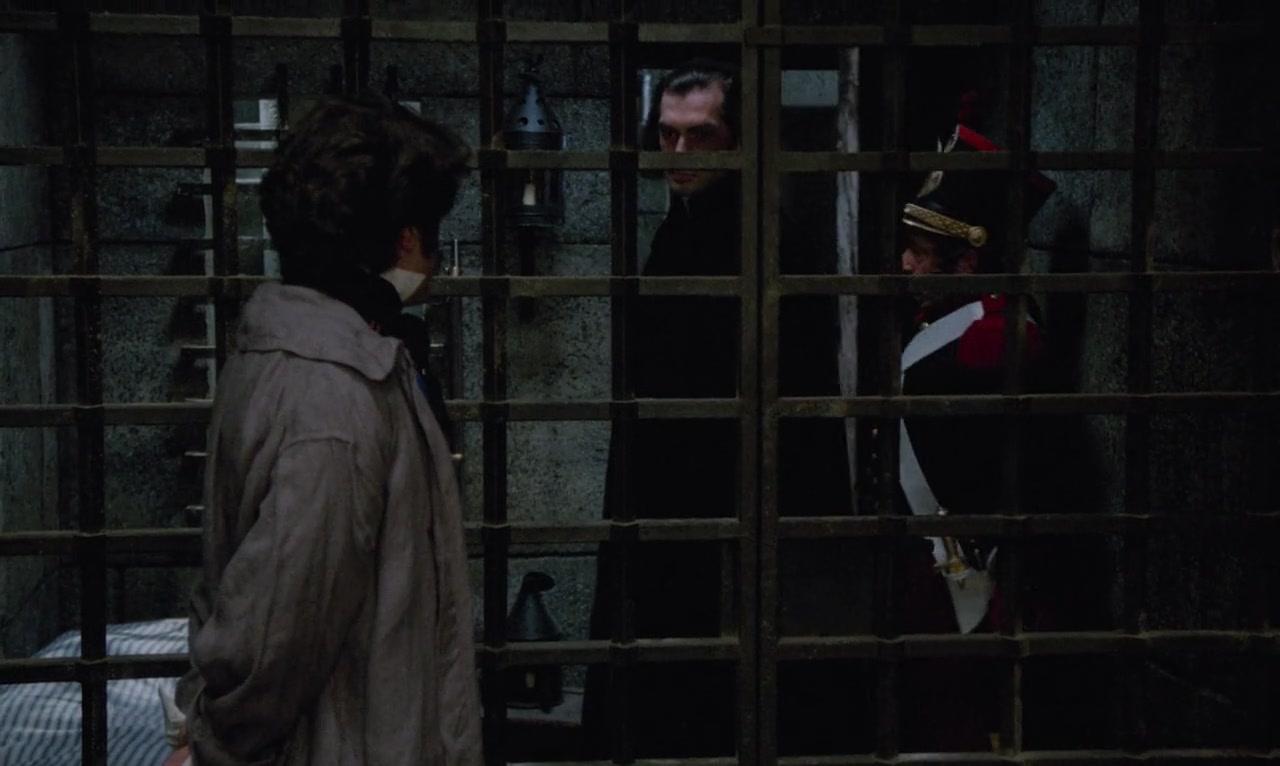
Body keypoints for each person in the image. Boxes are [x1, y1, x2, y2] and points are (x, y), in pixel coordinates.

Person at [170, 93, 482, 766]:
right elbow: (275, 632)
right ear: (405, 236)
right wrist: (214, 738)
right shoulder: (336, 397)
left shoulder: (295, 350)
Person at [581, 59, 853, 758]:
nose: (680, 151)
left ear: (736, 137)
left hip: (729, 521)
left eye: (699, 134)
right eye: (668, 134)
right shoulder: (683, 229)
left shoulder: (765, 242)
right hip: (673, 515)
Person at [891, 122, 1111, 751]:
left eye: (920, 251)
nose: (905, 263)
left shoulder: (991, 336)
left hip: (980, 575)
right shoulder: (954, 321)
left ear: (968, 259)